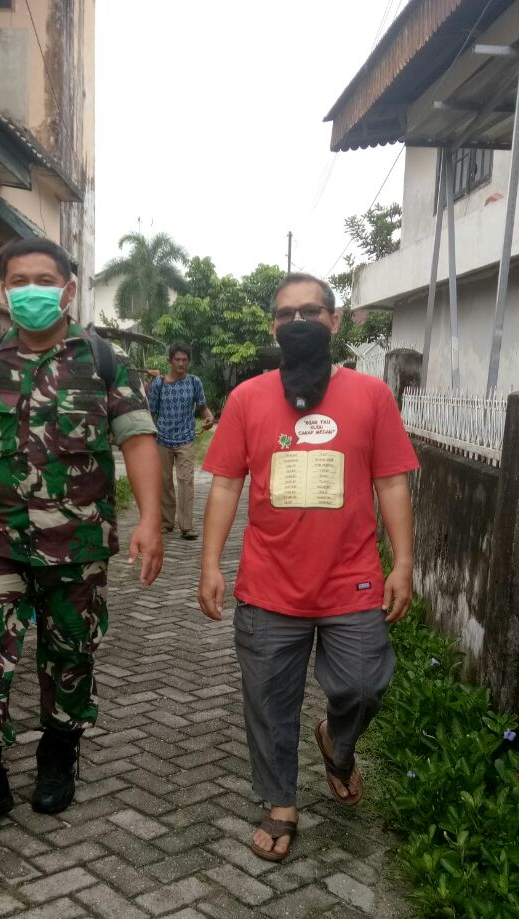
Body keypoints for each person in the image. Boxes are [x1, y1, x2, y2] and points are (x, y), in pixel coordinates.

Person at [0, 237, 164, 844]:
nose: (31, 289)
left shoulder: (102, 358)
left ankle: (58, 755)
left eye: (45, 279)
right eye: (19, 280)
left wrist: (150, 517)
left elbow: (138, 437)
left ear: (68, 290)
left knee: (69, 657)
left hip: (79, 544)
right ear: (3, 290)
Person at [197, 272, 417, 863]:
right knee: (269, 701)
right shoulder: (247, 399)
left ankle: (336, 746)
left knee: (364, 685)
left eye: (311, 312)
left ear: (335, 320)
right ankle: (280, 803)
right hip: (269, 584)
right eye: (286, 314)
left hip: (353, 579)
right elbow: (223, 487)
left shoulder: (371, 396)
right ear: (273, 325)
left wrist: (405, 563)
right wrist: (210, 564)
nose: (299, 323)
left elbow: (393, 482)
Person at [147, 344, 215, 539]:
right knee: (164, 482)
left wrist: (209, 418)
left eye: (184, 360)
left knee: (186, 481)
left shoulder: (194, 382)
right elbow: (150, 412)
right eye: (177, 359)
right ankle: (167, 523)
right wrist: (149, 435)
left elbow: (203, 408)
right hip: (162, 439)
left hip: (186, 438)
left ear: (188, 362)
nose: (181, 363)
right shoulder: (158, 384)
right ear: (170, 360)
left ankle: (187, 526)